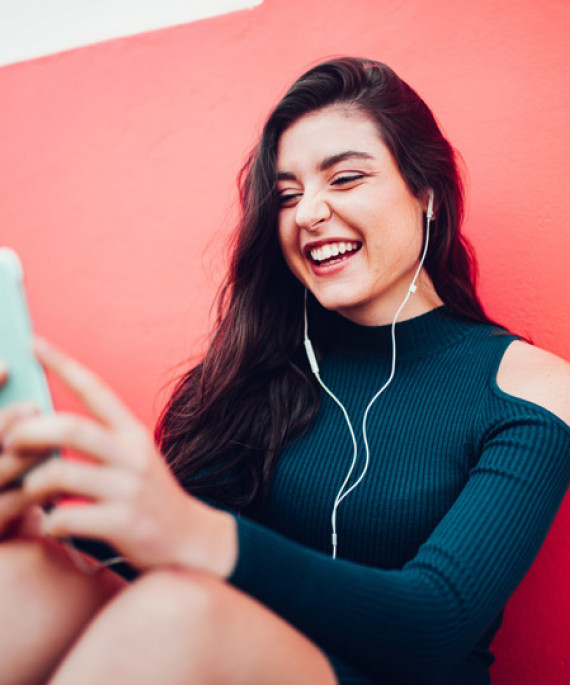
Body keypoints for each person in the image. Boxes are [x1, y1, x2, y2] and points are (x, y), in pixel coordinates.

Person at [0, 57, 569, 685]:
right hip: (213, 652)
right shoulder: (253, 371)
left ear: (426, 190)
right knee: (21, 577)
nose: (307, 214)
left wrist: (202, 536)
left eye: (346, 178)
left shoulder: (529, 390)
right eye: (289, 195)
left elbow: (433, 624)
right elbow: (151, 567)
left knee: (177, 613)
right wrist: (45, 532)